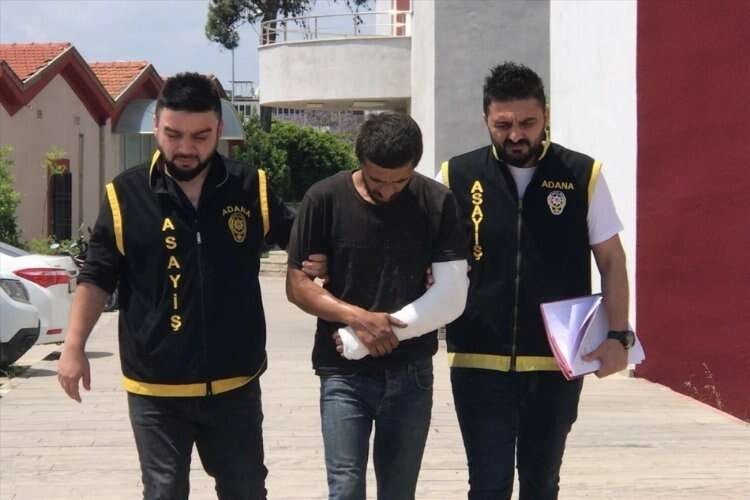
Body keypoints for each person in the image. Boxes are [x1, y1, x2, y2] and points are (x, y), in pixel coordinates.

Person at [57, 72, 325, 500]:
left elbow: (300, 242)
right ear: (156, 127)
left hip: (235, 382)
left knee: (246, 490)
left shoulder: (249, 186)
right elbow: (97, 276)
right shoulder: (124, 195)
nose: (186, 148)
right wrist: (73, 347)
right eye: (173, 134)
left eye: (201, 136)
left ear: (219, 129)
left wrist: (321, 259)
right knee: (163, 491)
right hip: (155, 386)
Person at [439, 62, 634, 500]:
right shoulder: (456, 176)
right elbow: (424, 254)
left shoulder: (583, 175)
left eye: (527, 123)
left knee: (542, 483)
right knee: (487, 486)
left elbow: (612, 261)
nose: (516, 135)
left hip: (556, 362)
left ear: (546, 116)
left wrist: (618, 337)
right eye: (503, 125)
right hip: (477, 358)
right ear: (486, 119)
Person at [285, 112, 470, 500]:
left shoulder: (438, 202)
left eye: (400, 181)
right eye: (377, 181)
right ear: (360, 161)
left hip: (411, 373)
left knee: (398, 492)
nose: (387, 191)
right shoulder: (324, 199)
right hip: (342, 371)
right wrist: (359, 320)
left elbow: (452, 294)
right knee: (346, 488)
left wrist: (384, 328)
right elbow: (297, 286)